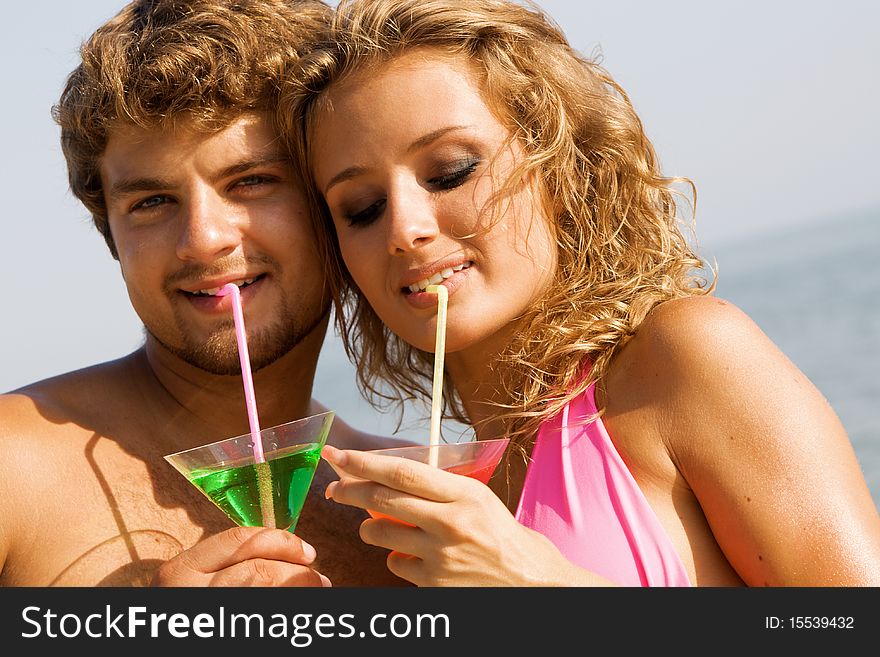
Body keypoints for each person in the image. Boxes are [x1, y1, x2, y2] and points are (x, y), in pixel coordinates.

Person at [282, 0, 880, 586]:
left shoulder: (682, 360)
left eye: (451, 172)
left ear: (561, 167)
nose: (404, 230)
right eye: (362, 208)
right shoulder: (452, 491)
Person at [0, 0, 409, 587]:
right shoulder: (13, 469)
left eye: (251, 182)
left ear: (334, 199)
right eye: (151, 202)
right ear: (111, 235)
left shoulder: (410, 500)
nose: (203, 241)